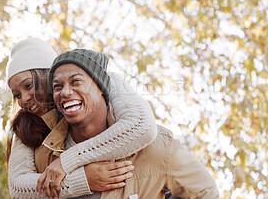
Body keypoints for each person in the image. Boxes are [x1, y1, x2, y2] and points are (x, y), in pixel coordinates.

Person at [36, 48, 220, 198]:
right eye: (57, 86)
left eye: (76, 82)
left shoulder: (156, 148)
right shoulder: (48, 153)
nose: (65, 92)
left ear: (101, 88)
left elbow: (206, 192)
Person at [6, 38, 158, 198]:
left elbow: (142, 125)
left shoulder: (103, 80)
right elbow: (18, 187)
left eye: (28, 85)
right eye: (17, 95)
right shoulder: (25, 125)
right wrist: (82, 180)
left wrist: (67, 161)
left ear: (48, 75)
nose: (23, 99)